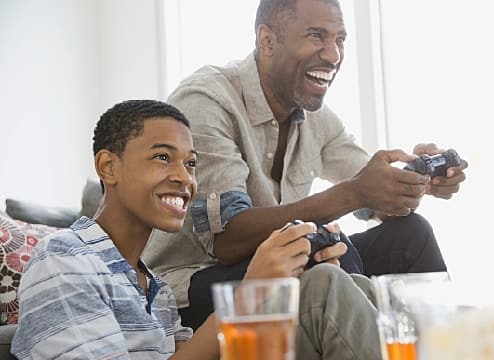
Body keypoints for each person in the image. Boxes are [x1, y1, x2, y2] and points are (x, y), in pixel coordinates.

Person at [143, 0, 468, 330]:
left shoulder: (315, 117)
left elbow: (370, 189)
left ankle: (450, 348)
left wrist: (412, 182)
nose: (333, 54)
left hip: (282, 262)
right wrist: (353, 195)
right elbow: (228, 242)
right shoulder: (206, 102)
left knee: (411, 234)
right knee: (317, 250)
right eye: (317, 36)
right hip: (194, 287)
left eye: (340, 39)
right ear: (267, 40)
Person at [10, 100, 382, 360]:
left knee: (342, 284)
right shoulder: (62, 260)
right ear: (108, 167)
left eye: (190, 164)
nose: (184, 178)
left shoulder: (151, 286)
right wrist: (249, 295)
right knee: (322, 290)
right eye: (162, 157)